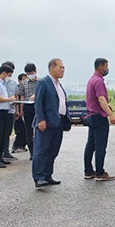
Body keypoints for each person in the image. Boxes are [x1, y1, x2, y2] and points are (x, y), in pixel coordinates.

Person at [32, 58, 69, 188]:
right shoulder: (43, 82)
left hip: (58, 122)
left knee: (53, 150)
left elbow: (62, 102)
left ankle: (47, 175)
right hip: (46, 123)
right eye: (60, 67)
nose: (63, 69)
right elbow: (38, 102)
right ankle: (39, 177)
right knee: (41, 150)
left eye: (63, 67)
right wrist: (41, 119)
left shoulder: (58, 84)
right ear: (52, 68)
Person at [84, 58, 115, 181]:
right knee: (100, 146)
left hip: (90, 116)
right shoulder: (99, 81)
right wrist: (111, 115)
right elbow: (101, 99)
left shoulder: (91, 80)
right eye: (106, 66)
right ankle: (100, 173)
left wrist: (106, 106)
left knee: (90, 145)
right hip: (99, 117)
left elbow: (98, 100)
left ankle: (88, 171)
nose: (107, 68)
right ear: (101, 67)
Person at [0, 64, 17, 168]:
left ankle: (0, 157)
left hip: (4, 112)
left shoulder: (3, 84)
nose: (8, 77)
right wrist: (10, 99)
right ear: (3, 73)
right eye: (8, 75)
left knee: (3, 136)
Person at [18, 63, 39, 161]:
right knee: (29, 130)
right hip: (27, 107)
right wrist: (21, 110)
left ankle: (39, 151)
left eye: (31, 73)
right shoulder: (24, 83)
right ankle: (32, 152)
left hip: (38, 107)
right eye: (28, 73)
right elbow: (22, 96)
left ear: (35, 72)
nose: (30, 75)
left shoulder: (41, 82)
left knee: (39, 130)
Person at [1, 61, 18, 161]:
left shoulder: (13, 84)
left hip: (10, 111)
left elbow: (15, 96)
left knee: (7, 133)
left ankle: (6, 151)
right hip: (1, 111)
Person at [11, 73, 28, 153]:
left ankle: (22, 145)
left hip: (24, 111)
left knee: (25, 130)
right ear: (19, 80)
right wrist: (17, 111)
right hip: (17, 112)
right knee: (19, 131)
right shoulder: (17, 89)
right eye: (23, 79)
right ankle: (15, 146)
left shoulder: (26, 88)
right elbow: (17, 101)